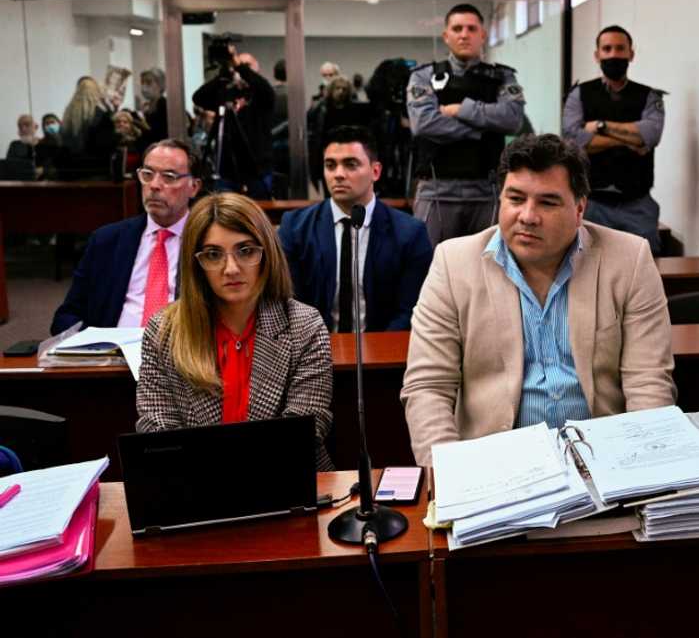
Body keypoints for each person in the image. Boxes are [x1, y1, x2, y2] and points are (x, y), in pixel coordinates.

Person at [401, 133, 676, 466]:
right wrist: (447, 475)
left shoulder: (629, 259)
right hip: (497, 465)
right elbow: (428, 387)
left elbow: (648, 382)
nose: (528, 216)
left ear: (579, 209)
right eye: (515, 199)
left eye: (548, 202)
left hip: (605, 461)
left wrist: (645, 470)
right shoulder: (453, 263)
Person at [136, 192, 334, 471]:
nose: (231, 269)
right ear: (197, 264)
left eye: (246, 251)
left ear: (266, 254)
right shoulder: (165, 330)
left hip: (287, 480)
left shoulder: (304, 324)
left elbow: (306, 428)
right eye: (214, 255)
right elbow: (157, 428)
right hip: (194, 487)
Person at [279, 125, 432, 332]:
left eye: (351, 165)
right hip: (314, 352)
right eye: (330, 165)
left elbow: (411, 310)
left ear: (375, 171)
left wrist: (377, 356)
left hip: (385, 354)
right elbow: (290, 304)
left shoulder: (410, 233)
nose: (338, 174)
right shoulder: (295, 228)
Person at [50, 139, 203, 334]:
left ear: (194, 187)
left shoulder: (208, 242)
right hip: (113, 355)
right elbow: (66, 316)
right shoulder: (107, 240)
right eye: (147, 174)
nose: (154, 185)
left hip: (179, 356)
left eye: (169, 177)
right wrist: (94, 344)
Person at [406, 3, 525, 246]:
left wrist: (463, 110)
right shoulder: (423, 76)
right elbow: (424, 123)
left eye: (471, 28)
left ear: (483, 35)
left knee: (488, 269)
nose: (464, 34)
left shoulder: (502, 77)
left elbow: (513, 119)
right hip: (437, 190)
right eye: (457, 28)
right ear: (446, 36)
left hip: (487, 190)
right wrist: (482, 130)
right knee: (430, 268)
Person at [562, 25, 666, 254]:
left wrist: (600, 127)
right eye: (607, 49)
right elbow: (572, 141)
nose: (613, 54)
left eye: (620, 48)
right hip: (591, 203)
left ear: (631, 53)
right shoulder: (579, 94)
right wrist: (630, 139)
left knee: (644, 269)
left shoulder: (649, 96)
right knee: (586, 269)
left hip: (637, 205)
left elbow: (651, 135)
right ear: (597, 55)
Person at [192, 44, 277, 199]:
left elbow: (265, 90)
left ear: (255, 69)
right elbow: (199, 97)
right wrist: (223, 76)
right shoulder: (226, 92)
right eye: (237, 66)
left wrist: (240, 67)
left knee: (258, 215)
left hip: (257, 167)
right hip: (227, 168)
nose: (239, 69)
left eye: (246, 66)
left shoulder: (261, 95)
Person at [138, 68, 168, 146]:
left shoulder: (163, 104)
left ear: (160, 84)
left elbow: (162, 133)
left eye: (148, 82)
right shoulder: (147, 106)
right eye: (142, 82)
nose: (144, 86)